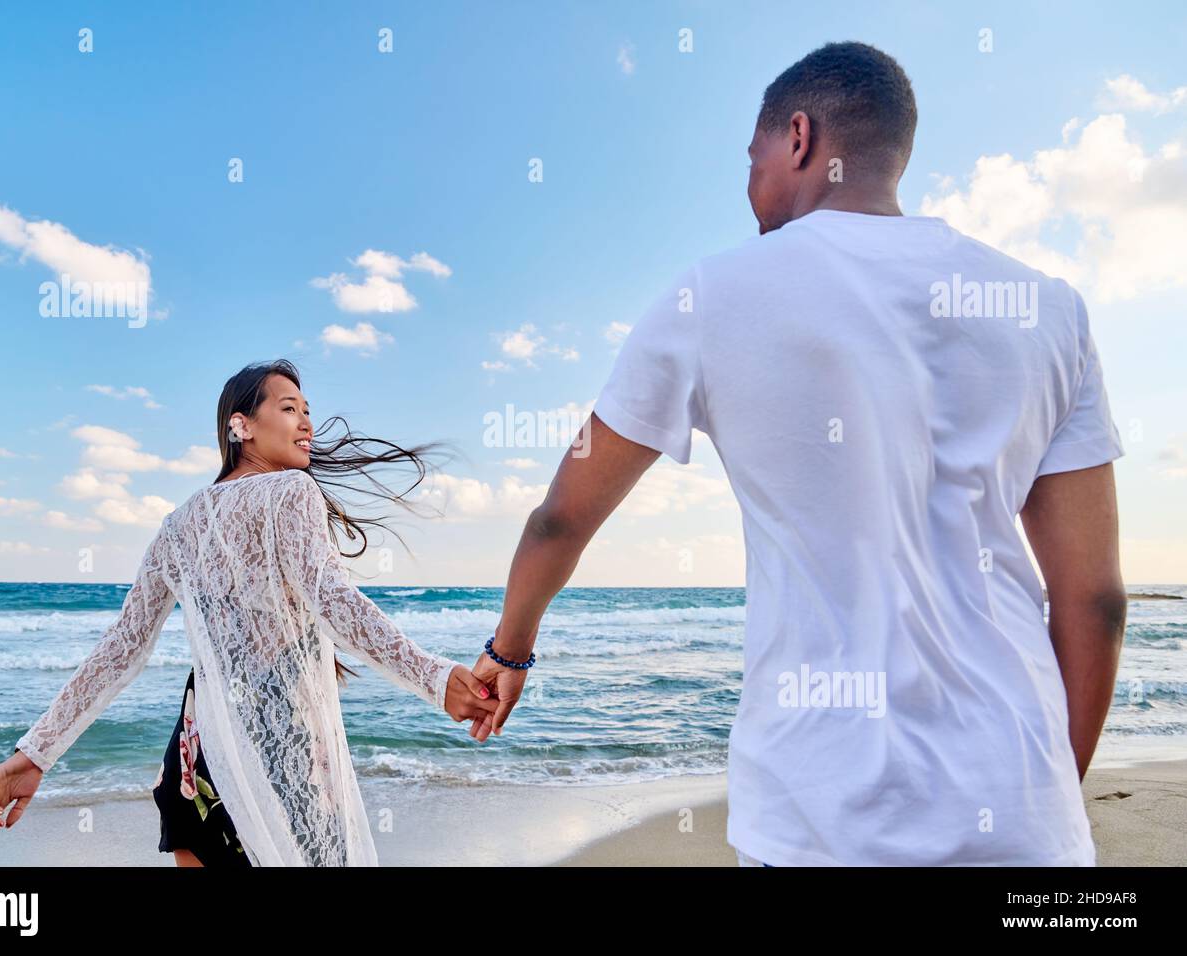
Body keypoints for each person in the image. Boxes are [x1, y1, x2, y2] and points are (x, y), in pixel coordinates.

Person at [470, 41, 1127, 866]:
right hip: (1026, 819)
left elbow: (562, 517)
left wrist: (509, 647)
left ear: (799, 137)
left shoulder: (709, 295)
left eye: (752, 160)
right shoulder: (1050, 310)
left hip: (819, 821)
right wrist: (1049, 796)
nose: (749, 191)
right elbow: (1094, 599)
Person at [0, 360, 498, 866]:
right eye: (289, 408)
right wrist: (432, 677)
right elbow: (334, 601)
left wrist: (35, 755)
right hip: (277, 745)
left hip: (197, 755)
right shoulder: (290, 491)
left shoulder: (177, 525)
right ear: (241, 426)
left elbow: (122, 649)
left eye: (307, 411)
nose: (306, 423)